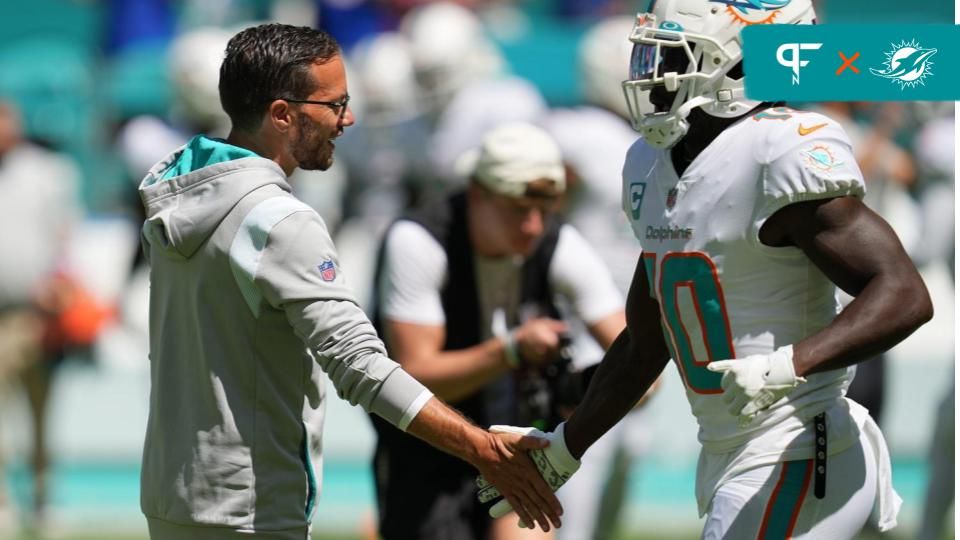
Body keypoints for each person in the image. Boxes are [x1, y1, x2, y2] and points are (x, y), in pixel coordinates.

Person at [478, 2, 933, 539]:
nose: (651, 74)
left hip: (797, 448)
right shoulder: (649, 164)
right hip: (732, 453)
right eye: (650, 55)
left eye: (672, 57)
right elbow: (646, 340)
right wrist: (565, 445)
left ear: (736, 64)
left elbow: (904, 293)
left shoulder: (779, 148)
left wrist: (787, 364)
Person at [136, 23, 563, 540]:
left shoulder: (182, 195)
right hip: (250, 508)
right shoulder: (280, 220)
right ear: (282, 115)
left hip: (173, 495)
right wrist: (483, 450)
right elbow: (359, 363)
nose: (349, 118)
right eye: (335, 105)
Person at [370, 122, 625, 540]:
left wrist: (587, 390)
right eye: (517, 208)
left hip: (518, 445)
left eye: (546, 209)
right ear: (477, 194)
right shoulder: (418, 240)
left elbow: (634, 359)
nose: (533, 226)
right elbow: (413, 376)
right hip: (428, 448)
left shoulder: (558, 241)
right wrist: (511, 350)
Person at [0, 99, 84, 533]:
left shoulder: (48, 171)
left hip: (37, 314)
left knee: (41, 412)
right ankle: (4, 505)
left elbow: (68, 236)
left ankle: (43, 498)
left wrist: (61, 287)